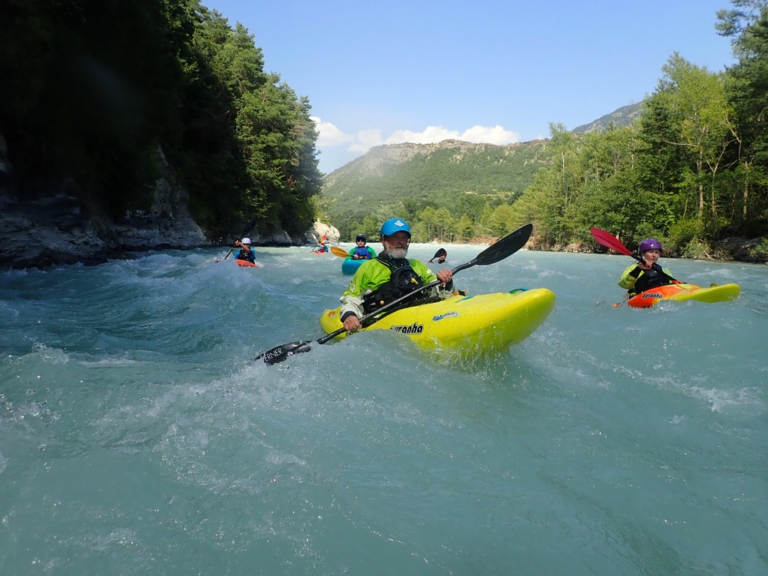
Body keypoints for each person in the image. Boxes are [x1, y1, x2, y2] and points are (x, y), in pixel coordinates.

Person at [340, 218, 454, 332]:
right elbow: (351, 300)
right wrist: (350, 315)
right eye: (395, 237)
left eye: (404, 238)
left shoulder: (417, 265)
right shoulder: (368, 268)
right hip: (383, 325)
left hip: (420, 317)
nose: (401, 241)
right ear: (383, 240)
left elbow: (440, 293)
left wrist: (446, 281)